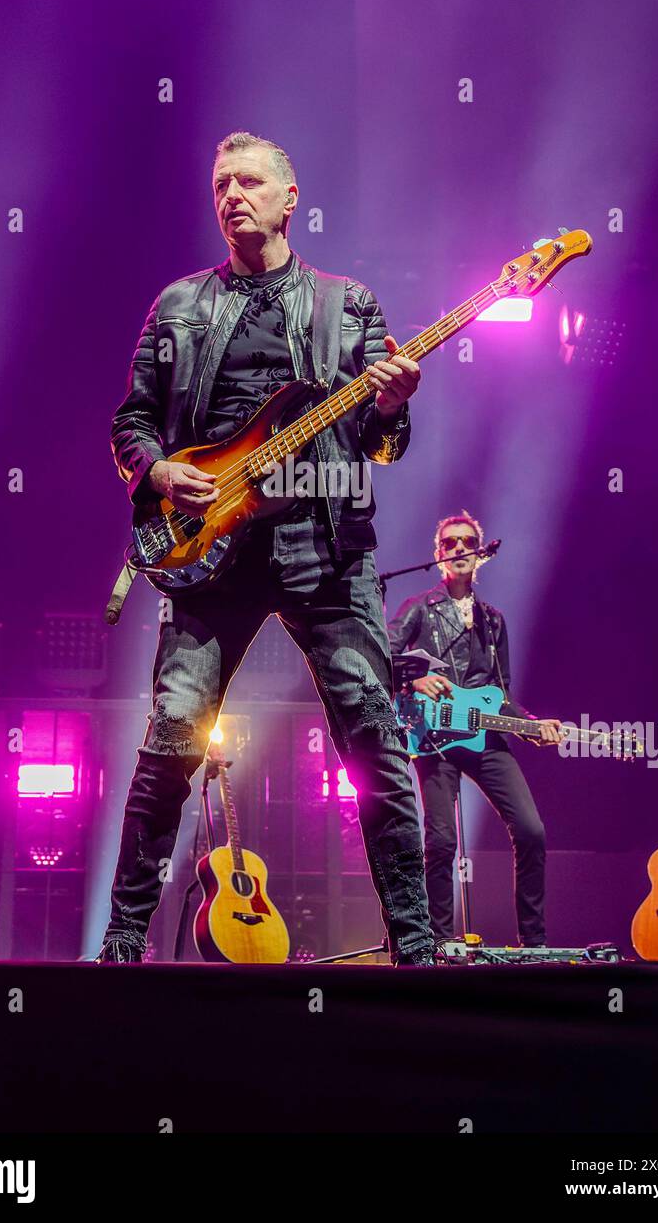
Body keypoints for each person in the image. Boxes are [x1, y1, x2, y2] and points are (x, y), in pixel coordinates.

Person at [98, 130, 436, 965]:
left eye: (249, 182)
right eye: (220, 185)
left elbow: (381, 444)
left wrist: (390, 408)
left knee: (373, 740)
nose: (231, 195)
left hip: (328, 552)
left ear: (291, 200)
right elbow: (130, 423)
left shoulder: (347, 305)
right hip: (210, 556)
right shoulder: (179, 305)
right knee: (171, 741)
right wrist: (161, 468)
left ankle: (418, 947)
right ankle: (121, 943)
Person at [388, 512, 560, 948]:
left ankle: (535, 942)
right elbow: (379, 654)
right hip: (434, 737)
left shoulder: (493, 619)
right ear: (439, 555)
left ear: (481, 553)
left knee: (531, 830)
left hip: (484, 735)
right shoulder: (418, 608)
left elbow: (501, 692)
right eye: (451, 543)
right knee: (442, 839)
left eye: (468, 541)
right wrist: (412, 680)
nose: (460, 548)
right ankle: (440, 941)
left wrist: (531, 726)